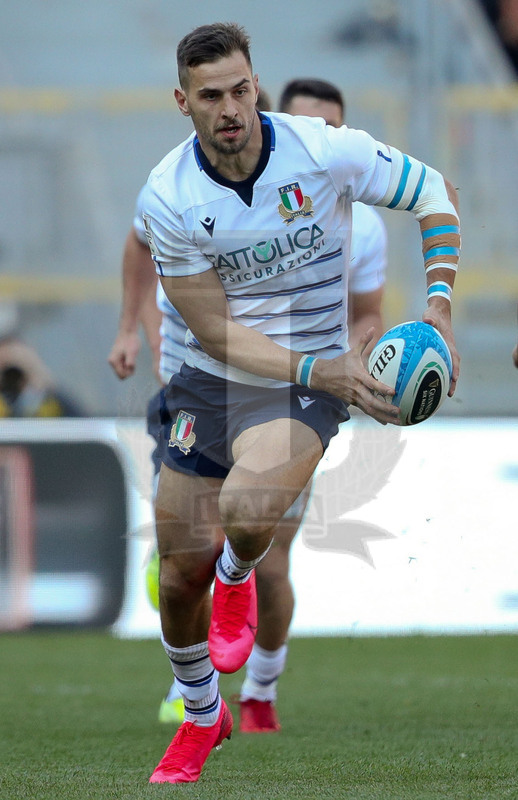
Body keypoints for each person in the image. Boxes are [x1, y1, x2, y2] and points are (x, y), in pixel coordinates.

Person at [127, 22, 460, 784]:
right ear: (185, 102)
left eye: (240, 89)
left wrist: (437, 305)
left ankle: (240, 580)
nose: (230, 107)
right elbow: (210, 331)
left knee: (246, 514)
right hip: (215, 377)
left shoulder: (323, 149)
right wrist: (320, 365)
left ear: (256, 85)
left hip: (302, 388)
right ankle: (204, 713)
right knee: (179, 574)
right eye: (211, 96)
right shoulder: (168, 196)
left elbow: (435, 193)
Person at [109, 77, 389, 731]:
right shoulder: (205, 195)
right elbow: (139, 240)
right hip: (199, 389)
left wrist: (368, 362)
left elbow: (368, 313)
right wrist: (131, 323)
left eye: (332, 131)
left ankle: (259, 688)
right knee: (182, 562)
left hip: (296, 397)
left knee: (271, 555)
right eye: (304, 126)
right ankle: (196, 690)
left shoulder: (362, 225)